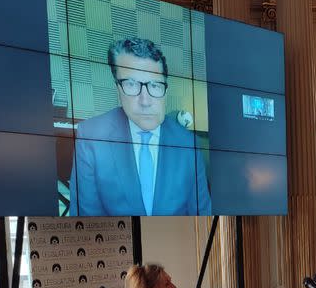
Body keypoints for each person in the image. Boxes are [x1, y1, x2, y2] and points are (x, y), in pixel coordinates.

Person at [69, 37, 211, 216]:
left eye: (155, 85)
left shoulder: (190, 144)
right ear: (118, 89)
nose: (145, 101)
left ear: (165, 91)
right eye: (131, 84)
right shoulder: (90, 136)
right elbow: (86, 220)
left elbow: (202, 217)